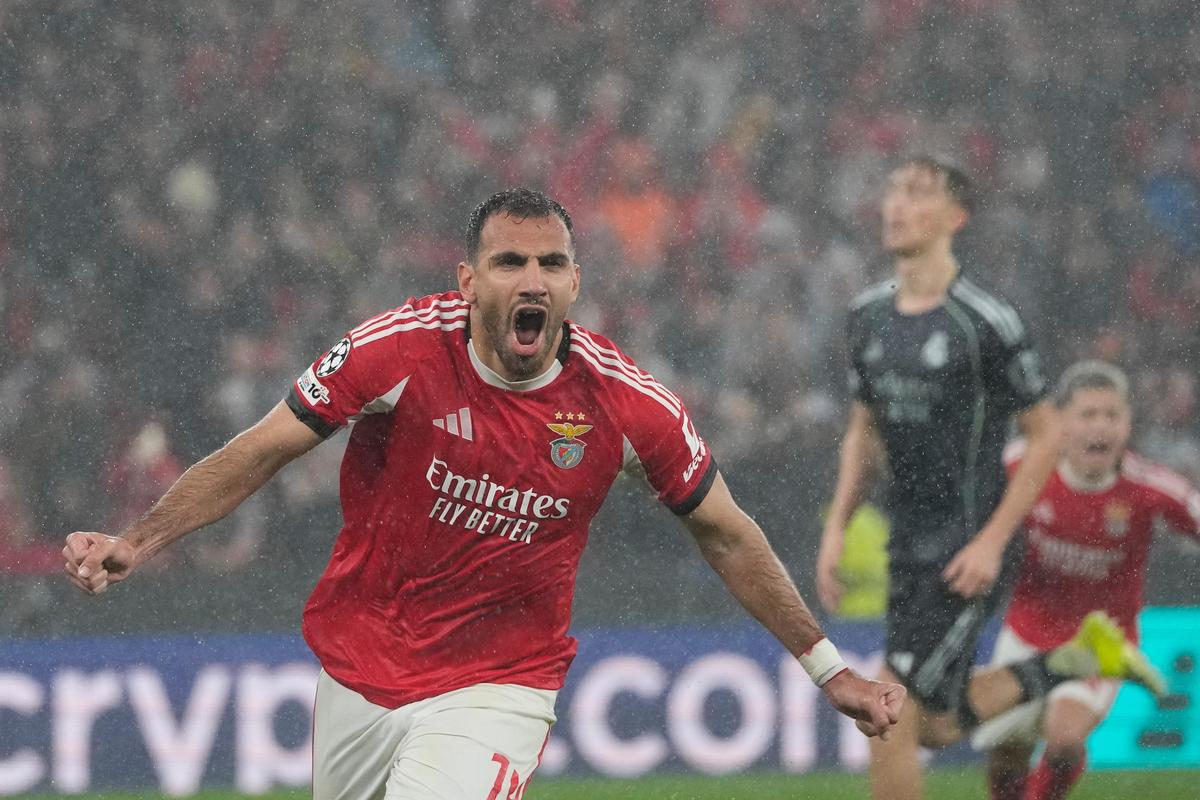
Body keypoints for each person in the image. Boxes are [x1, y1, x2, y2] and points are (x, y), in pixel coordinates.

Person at [64, 188, 905, 800]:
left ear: (575, 284)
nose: (530, 280)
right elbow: (262, 450)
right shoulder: (396, 352)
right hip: (362, 667)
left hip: (499, 683)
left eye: (550, 264)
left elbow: (726, 532)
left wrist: (827, 669)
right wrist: (138, 540)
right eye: (509, 262)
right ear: (469, 280)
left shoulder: (625, 405)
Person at [816, 157, 1156, 800]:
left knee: (887, 709)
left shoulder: (987, 320)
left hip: (966, 542)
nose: (897, 204)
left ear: (956, 217)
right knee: (935, 725)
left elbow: (1046, 433)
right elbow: (863, 430)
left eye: (918, 193)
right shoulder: (866, 316)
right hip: (906, 541)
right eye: (891, 190)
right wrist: (837, 526)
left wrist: (993, 541)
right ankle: (1072, 662)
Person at [976, 361, 1186, 800]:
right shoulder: (1021, 464)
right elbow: (963, 498)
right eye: (1088, 414)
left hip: (1101, 642)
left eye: (1111, 415)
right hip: (1026, 632)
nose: (1100, 427)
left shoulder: (1151, 488)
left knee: (1065, 737)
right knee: (1005, 753)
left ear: (1127, 424)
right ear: (1061, 423)